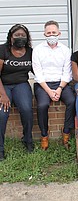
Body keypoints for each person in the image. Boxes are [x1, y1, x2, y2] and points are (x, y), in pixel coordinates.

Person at [32, 20, 75, 150]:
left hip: (61, 83)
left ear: (59, 33)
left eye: (54, 33)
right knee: (42, 105)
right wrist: (50, 92)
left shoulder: (66, 50)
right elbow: (38, 73)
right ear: (44, 34)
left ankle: (66, 133)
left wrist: (59, 89)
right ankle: (44, 136)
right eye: (49, 33)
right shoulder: (37, 50)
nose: (51, 35)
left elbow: (67, 72)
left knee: (72, 101)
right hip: (43, 84)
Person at [0, 24, 34, 161]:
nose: (20, 38)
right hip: (4, 85)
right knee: (2, 114)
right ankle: (0, 148)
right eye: (17, 35)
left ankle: (27, 140)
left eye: (23, 35)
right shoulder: (3, 50)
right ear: (11, 37)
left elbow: (38, 72)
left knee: (26, 109)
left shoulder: (30, 52)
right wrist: (3, 95)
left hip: (21, 84)